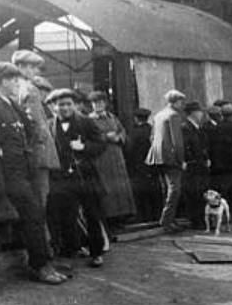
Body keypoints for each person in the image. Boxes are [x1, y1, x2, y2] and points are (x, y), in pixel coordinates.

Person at [0, 62, 65, 285]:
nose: (17, 83)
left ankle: (43, 262)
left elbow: (30, 129)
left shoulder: (11, 104)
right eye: (14, 80)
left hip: (24, 169)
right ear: (1, 81)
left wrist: (28, 152)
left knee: (36, 212)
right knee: (32, 212)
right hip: (6, 173)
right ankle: (40, 266)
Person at [47, 88, 109, 268]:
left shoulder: (86, 122)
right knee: (68, 217)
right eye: (61, 105)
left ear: (74, 105)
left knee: (92, 215)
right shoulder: (50, 125)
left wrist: (84, 147)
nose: (65, 108)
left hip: (85, 177)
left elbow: (101, 144)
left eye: (68, 104)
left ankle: (96, 253)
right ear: (54, 107)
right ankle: (69, 254)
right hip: (63, 179)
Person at [12, 50, 60, 215]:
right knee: (40, 198)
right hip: (39, 152)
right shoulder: (30, 90)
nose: (35, 72)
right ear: (19, 67)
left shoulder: (14, 88)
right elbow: (37, 124)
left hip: (24, 152)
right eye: (31, 67)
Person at [88, 90, 136, 222]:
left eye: (100, 102)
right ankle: (110, 218)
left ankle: (123, 215)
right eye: (95, 103)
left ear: (105, 103)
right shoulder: (89, 120)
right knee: (106, 186)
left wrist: (119, 137)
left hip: (116, 155)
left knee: (120, 185)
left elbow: (122, 130)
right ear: (91, 105)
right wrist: (105, 137)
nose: (98, 105)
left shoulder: (112, 117)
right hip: (102, 157)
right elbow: (88, 137)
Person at [146, 89, 187, 232]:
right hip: (170, 157)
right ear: (175, 102)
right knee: (175, 189)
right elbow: (177, 141)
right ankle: (167, 220)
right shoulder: (174, 115)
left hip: (157, 156)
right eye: (181, 101)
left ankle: (168, 219)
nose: (183, 105)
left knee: (165, 188)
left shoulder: (158, 115)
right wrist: (181, 159)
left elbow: (152, 137)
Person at [125, 108, 160, 223]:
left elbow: (129, 150)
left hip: (138, 166)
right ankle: (156, 214)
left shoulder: (134, 133)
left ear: (136, 119)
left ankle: (143, 215)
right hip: (153, 165)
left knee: (140, 192)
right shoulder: (153, 130)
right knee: (154, 189)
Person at [181, 101, 211, 229]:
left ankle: (201, 219)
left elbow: (203, 145)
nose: (201, 114)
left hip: (201, 164)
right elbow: (186, 147)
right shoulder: (185, 127)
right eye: (199, 112)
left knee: (201, 192)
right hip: (193, 164)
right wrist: (189, 160)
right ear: (193, 113)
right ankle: (196, 220)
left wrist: (207, 158)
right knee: (194, 192)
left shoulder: (198, 127)